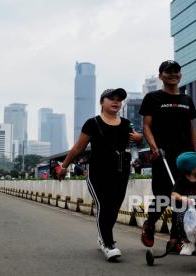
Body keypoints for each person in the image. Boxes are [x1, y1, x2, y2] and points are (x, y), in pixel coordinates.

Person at [57, 88, 143, 261]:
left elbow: (136, 140)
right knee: (104, 205)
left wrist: (140, 138)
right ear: (102, 102)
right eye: (111, 98)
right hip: (98, 172)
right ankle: (108, 243)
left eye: (119, 99)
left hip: (120, 171)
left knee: (114, 208)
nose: (116, 101)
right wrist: (64, 166)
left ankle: (103, 236)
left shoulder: (126, 124)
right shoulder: (93, 123)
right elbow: (78, 148)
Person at [139, 60, 196, 249]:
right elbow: (146, 126)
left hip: (185, 156)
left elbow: (192, 129)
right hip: (162, 155)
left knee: (183, 197)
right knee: (163, 195)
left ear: (180, 75)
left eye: (176, 71)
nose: (173, 74)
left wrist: (195, 156)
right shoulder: (153, 98)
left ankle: (175, 239)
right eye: (168, 71)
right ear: (160, 76)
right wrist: (154, 147)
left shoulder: (187, 100)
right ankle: (150, 223)